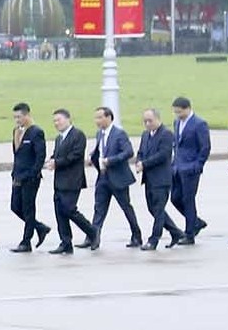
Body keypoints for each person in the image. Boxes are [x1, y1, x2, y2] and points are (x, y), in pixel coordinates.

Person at [89, 107, 142, 248]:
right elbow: (100, 151)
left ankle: (136, 235)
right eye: (96, 118)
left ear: (109, 117)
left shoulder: (119, 134)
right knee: (99, 209)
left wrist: (110, 160)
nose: (97, 121)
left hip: (117, 178)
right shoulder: (99, 134)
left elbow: (128, 152)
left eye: (100, 117)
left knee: (126, 207)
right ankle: (93, 237)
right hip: (103, 177)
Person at [45, 109, 94, 254]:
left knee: (69, 209)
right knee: (60, 212)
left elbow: (75, 156)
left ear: (68, 119)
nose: (56, 123)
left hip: (73, 180)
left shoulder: (78, 135)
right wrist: (52, 160)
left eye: (59, 120)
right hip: (59, 180)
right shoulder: (59, 138)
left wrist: (57, 163)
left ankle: (91, 231)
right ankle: (65, 242)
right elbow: (58, 154)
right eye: (54, 121)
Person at [169, 96, 211, 245]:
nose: (178, 115)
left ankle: (189, 233)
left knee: (188, 200)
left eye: (180, 112)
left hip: (191, 168)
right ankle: (195, 222)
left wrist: (198, 164)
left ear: (187, 109)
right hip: (177, 168)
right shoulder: (176, 123)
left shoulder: (199, 124)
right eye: (175, 112)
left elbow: (205, 147)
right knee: (175, 198)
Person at [8, 103, 50, 252]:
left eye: (19, 117)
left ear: (27, 115)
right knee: (15, 206)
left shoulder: (36, 132)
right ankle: (40, 227)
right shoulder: (16, 131)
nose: (17, 120)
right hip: (18, 176)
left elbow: (40, 156)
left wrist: (33, 174)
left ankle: (26, 241)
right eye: (15, 117)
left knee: (28, 208)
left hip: (30, 177)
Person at [135, 108, 175, 250]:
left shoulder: (166, 134)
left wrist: (144, 164)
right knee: (152, 209)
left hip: (161, 179)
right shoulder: (145, 135)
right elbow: (141, 152)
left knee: (158, 210)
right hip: (149, 179)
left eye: (150, 121)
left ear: (158, 119)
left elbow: (163, 155)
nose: (147, 124)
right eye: (145, 121)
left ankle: (154, 239)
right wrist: (139, 162)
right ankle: (176, 232)